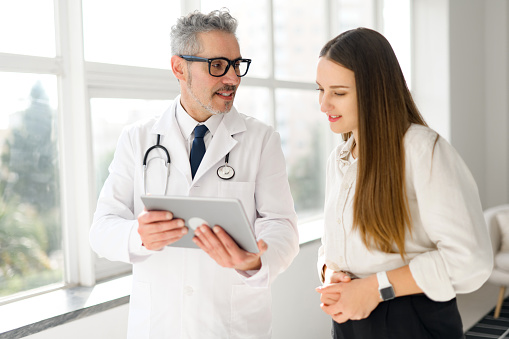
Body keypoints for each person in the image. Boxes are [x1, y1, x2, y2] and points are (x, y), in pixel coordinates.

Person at [89, 9, 299, 339]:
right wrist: (139, 236)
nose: (233, 78)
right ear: (179, 67)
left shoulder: (261, 140)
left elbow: (282, 225)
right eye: (218, 66)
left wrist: (254, 261)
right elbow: (101, 229)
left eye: (236, 65)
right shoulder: (138, 138)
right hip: (159, 326)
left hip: (231, 326)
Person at [314, 27, 493, 339]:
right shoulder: (338, 160)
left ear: (374, 91)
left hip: (409, 318)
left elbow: (469, 262)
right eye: (320, 90)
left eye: (338, 93)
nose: (323, 105)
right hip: (350, 320)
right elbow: (332, 243)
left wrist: (375, 288)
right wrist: (332, 275)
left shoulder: (423, 150)